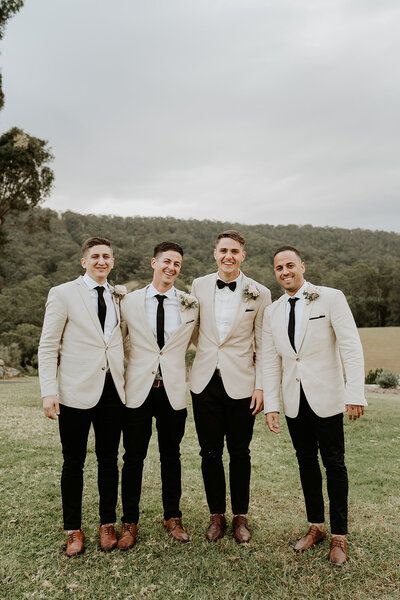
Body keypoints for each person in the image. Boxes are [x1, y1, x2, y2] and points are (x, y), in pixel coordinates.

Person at [262, 246, 367, 565]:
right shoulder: (273, 311)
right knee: (306, 463)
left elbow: (350, 345)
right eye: (279, 268)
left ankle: (340, 536)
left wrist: (355, 393)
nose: (285, 272)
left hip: (330, 397)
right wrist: (271, 404)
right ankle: (316, 526)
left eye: (290, 265)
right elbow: (270, 360)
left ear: (302, 266)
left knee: (334, 464)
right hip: (295, 401)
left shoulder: (331, 297)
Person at [38, 237, 126, 557]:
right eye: (95, 256)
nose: (102, 261)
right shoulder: (63, 294)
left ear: (112, 262)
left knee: (108, 460)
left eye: (106, 256)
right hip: (74, 390)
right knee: (73, 462)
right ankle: (73, 529)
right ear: (84, 261)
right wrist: (49, 391)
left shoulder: (119, 296)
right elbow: (48, 345)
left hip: (113, 391)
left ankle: (107, 523)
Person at [190, 230, 271, 543]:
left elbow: (264, 342)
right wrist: (212, 349)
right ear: (215, 253)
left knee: (240, 452)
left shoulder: (260, 292)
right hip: (205, 381)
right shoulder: (198, 285)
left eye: (235, 251)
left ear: (243, 255)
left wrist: (261, 386)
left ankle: (240, 517)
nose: (229, 256)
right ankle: (215, 516)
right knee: (209, 452)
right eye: (224, 250)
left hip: (243, 384)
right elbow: (193, 329)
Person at [118, 242, 199, 549]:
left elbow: (203, 342)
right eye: (167, 261)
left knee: (171, 456)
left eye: (177, 263)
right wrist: (138, 362)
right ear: (154, 262)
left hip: (173, 391)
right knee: (133, 457)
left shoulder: (191, 304)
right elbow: (120, 339)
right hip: (138, 390)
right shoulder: (131, 301)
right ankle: (129, 522)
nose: (171, 268)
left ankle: (172, 517)